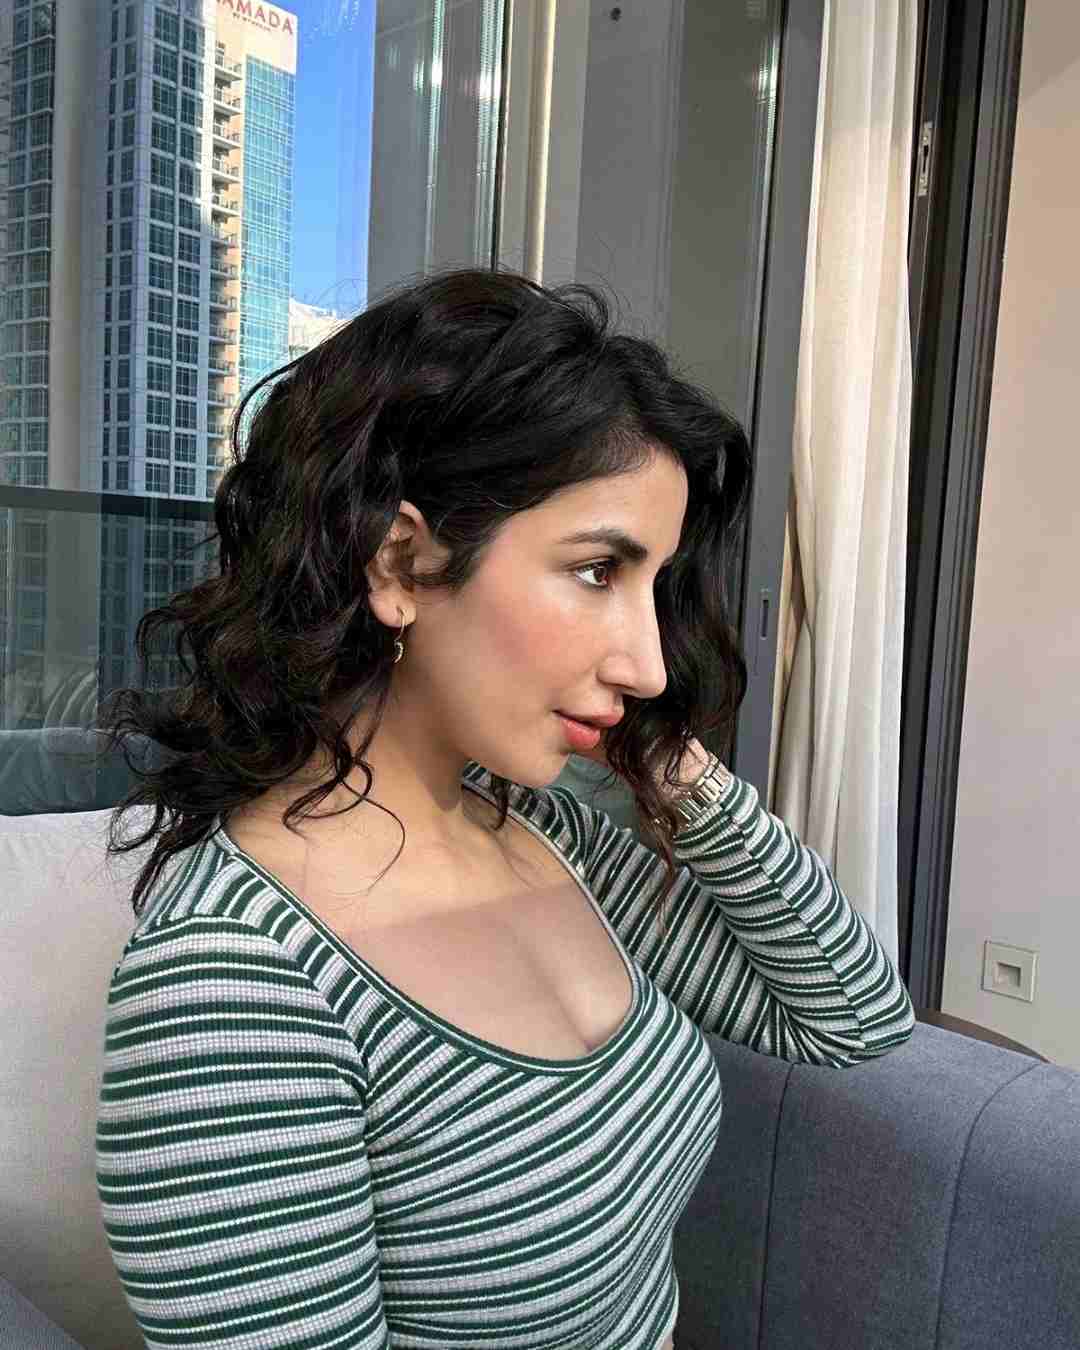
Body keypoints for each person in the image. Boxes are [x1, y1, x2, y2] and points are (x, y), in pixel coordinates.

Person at [95, 266, 915, 1350]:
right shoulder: (236, 985)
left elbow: (851, 1017)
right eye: (597, 571)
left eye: (655, 587)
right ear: (401, 561)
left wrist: (680, 773)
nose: (650, 664)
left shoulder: (540, 830)